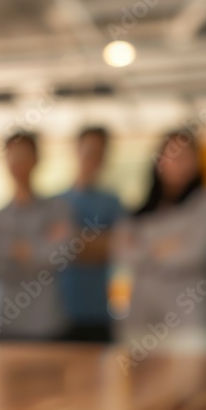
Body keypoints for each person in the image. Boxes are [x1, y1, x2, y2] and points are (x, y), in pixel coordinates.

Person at [113, 130, 206, 352]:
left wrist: (143, 247)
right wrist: (170, 244)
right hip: (142, 320)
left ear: (197, 162)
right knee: (143, 385)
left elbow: (195, 253)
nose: (177, 162)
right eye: (171, 154)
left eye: (185, 156)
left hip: (189, 323)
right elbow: (122, 254)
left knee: (191, 386)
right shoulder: (139, 211)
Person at [0, 132, 72, 340]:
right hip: (4, 323)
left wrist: (15, 251)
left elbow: (59, 256)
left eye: (25, 155)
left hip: (48, 324)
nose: (19, 163)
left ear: (37, 159)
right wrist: (39, 249)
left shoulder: (58, 210)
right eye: (14, 156)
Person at [58, 127, 124, 342]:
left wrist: (71, 240)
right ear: (76, 151)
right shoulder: (55, 203)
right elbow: (52, 250)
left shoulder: (112, 202)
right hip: (59, 315)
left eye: (99, 151)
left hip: (98, 312)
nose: (92, 156)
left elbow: (119, 247)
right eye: (88, 149)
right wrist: (95, 242)